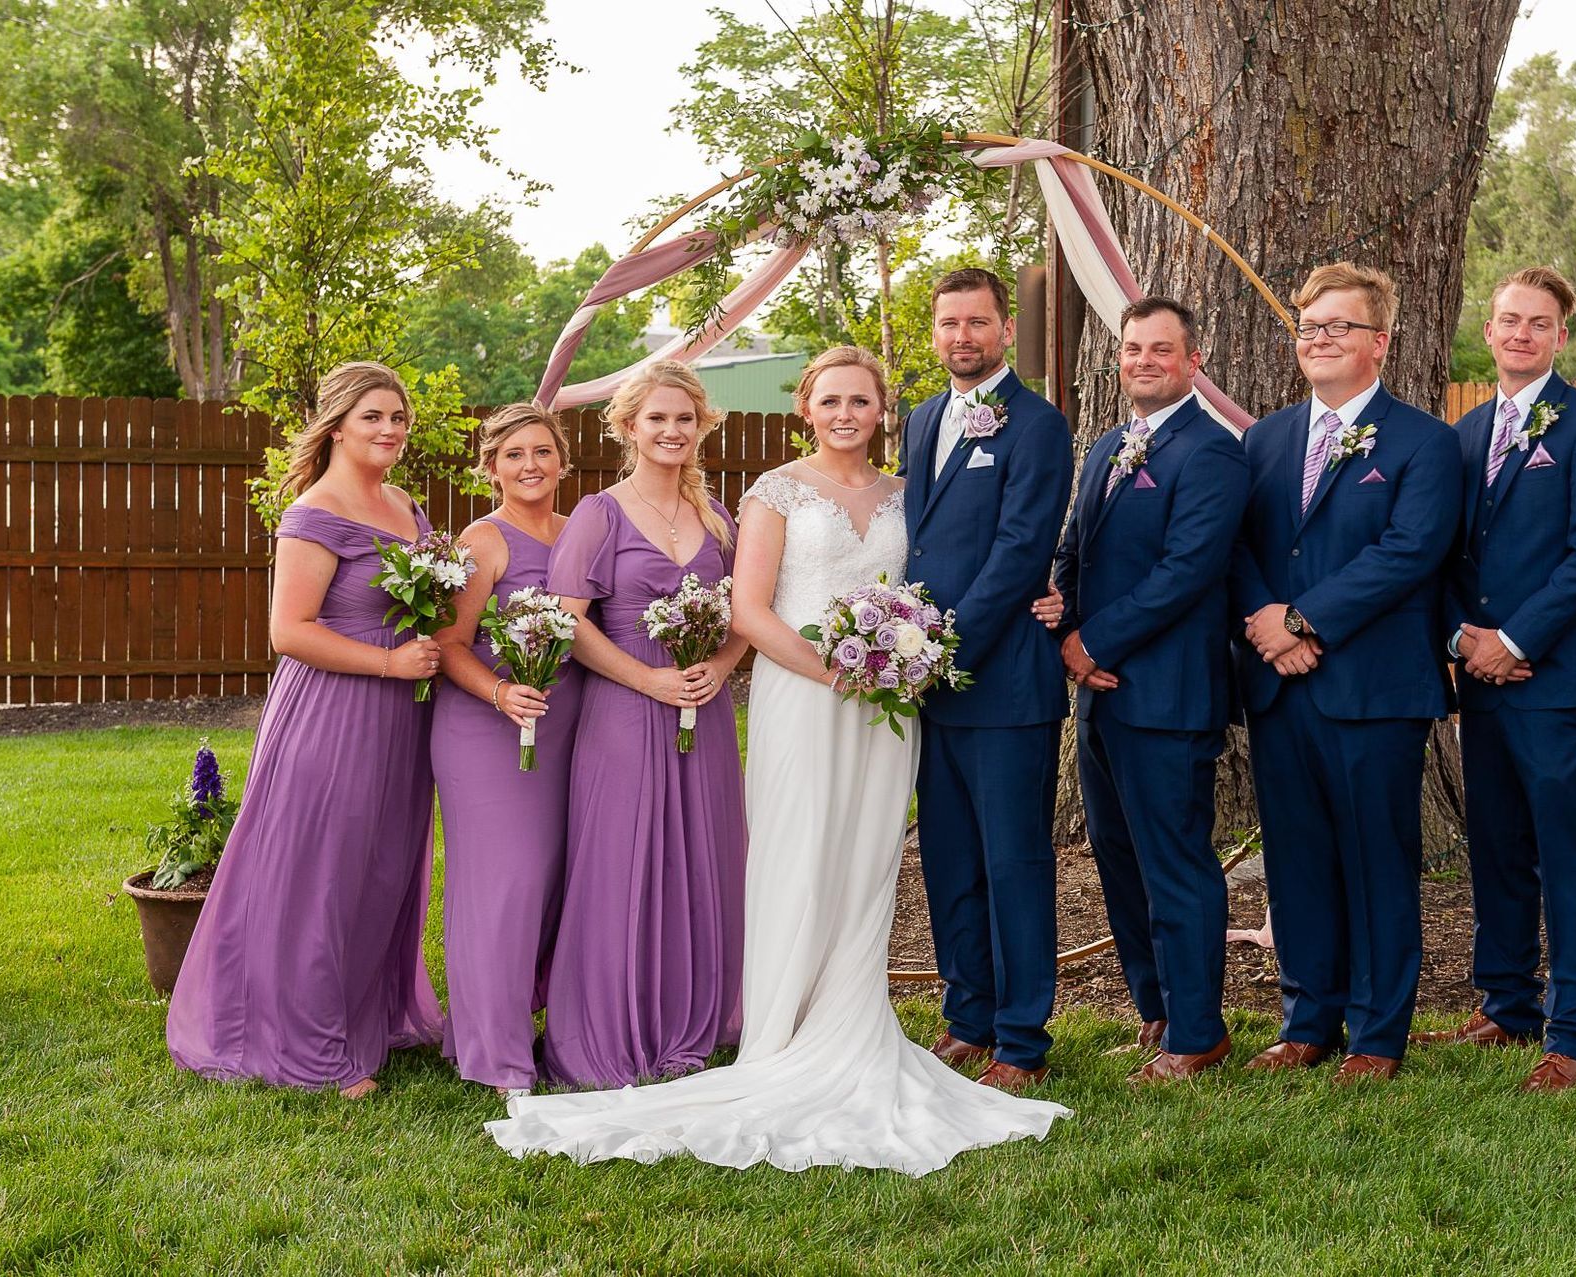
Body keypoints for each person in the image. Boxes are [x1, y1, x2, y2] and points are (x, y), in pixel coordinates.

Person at [486, 347, 1068, 1174]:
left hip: (884, 709)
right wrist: (838, 671)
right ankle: (780, 1028)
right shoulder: (772, 494)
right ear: (805, 406)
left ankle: (853, 1015)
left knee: (867, 862)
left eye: (859, 401)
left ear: (881, 411)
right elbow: (751, 613)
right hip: (809, 697)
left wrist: (1040, 596)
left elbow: (958, 572)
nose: (844, 413)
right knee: (796, 855)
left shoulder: (911, 495)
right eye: (829, 399)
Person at [167, 361, 444, 1098]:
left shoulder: (404, 505)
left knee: (380, 866)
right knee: (321, 871)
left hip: (400, 720)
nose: (390, 430)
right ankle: (308, 1043)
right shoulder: (315, 512)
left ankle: (370, 1012)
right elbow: (289, 630)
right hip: (334, 711)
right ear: (337, 425)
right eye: (373, 417)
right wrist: (390, 664)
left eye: (399, 418)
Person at [1231, 262, 1460, 1084]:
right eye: (1308, 325)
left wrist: (1302, 619)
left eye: (1337, 326)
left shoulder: (1425, 442)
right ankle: (1307, 1019)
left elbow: (1410, 552)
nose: (1318, 338)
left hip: (1373, 687)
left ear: (1380, 342)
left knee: (1375, 860)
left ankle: (1376, 1035)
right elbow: (1245, 547)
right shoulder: (1264, 439)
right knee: (1296, 860)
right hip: (1279, 684)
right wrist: (1267, 626)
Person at [1413, 265, 1576, 1093]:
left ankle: (1574, 1032)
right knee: (1497, 847)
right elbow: (1433, 552)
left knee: (1563, 854)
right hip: (1481, 675)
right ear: (1489, 328)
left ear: (1560, 336)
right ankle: (1507, 1006)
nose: (1519, 334)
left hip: (1555, 676)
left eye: (1537, 323)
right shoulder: (1463, 436)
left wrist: (1513, 637)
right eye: (1508, 320)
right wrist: (1460, 638)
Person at [1043, 298, 1249, 1083]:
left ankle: (1198, 1033)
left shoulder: (1213, 453)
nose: (1143, 360)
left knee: (1174, 865)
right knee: (1118, 858)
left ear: (1193, 361)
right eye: (1133, 349)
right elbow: (1073, 549)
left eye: (1161, 349)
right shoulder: (1106, 447)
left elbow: (1187, 572)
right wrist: (1066, 630)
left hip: (1167, 696)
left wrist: (1094, 640)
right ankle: (1156, 1009)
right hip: (1099, 693)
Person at [535, 361, 748, 1090]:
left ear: (701, 427)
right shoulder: (600, 512)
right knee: (623, 857)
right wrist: (649, 678)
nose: (671, 430)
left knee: (702, 854)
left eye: (684, 418)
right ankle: (614, 1023)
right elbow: (567, 624)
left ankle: (698, 1015)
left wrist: (720, 665)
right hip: (624, 709)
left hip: (705, 708)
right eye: (656, 418)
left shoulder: (720, 518)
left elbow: (747, 614)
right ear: (629, 427)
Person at [900, 268, 1074, 1091]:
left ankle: (1020, 1038)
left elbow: (1017, 554)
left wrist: (942, 647)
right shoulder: (920, 418)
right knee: (949, 860)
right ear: (934, 332)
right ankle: (966, 1017)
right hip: (927, 690)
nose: (961, 336)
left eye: (977, 321)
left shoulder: (1038, 426)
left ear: (1005, 329)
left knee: (1013, 863)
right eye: (948, 322)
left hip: (1002, 684)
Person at [431, 403, 578, 1098]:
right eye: (514, 454)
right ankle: (496, 1056)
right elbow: (449, 646)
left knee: (548, 885)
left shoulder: (581, 534)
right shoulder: (482, 540)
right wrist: (500, 694)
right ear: (491, 468)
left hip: (565, 726)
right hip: (486, 729)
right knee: (503, 886)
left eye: (542, 452)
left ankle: (509, 1024)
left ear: (563, 462)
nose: (530, 466)